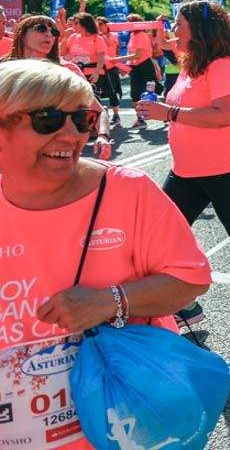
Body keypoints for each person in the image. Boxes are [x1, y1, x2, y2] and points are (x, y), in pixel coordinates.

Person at [0, 59, 212, 450]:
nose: (70, 135)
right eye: (48, 119)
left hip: (127, 417)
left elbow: (191, 277)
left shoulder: (127, 191)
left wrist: (109, 301)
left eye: (82, 120)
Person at [135, 0, 230, 333]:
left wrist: (167, 114)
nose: (173, 30)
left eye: (178, 24)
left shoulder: (222, 65)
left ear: (199, 30)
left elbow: (224, 114)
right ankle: (185, 303)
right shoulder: (190, 66)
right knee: (158, 232)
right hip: (187, 170)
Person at [1, 15, 113, 159]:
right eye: (40, 29)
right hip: (11, 150)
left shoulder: (67, 69)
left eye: (54, 32)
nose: (49, 34)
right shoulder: (5, 68)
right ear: (21, 34)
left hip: (53, 150)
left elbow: (99, 111)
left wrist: (103, 137)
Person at [96, 17, 123, 126]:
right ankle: (98, 116)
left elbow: (108, 44)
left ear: (107, 25)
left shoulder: (113, 36)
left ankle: (116, 115)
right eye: (98, 24)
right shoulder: (97, 37)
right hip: (100, 67)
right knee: (96, 92)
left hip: (111, 66)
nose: (99, 26)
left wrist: (102, 34)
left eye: (101, 24)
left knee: (113, 92)